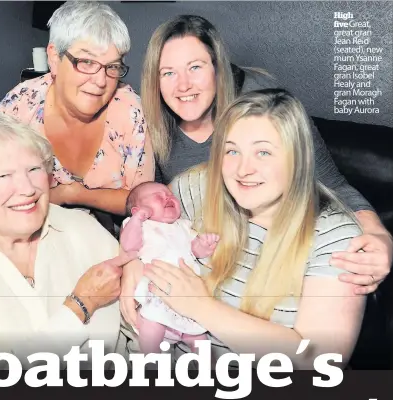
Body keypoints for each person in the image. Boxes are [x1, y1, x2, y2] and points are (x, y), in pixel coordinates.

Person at [139, 14, 392, 296]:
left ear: (218, 68)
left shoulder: (260, 105)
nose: (183, 85)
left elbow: (332, 184)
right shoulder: (153, 126)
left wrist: (379, 235)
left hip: (275, 256)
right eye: (168, 73)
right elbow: (153, 209)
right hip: (207, 262)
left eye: (195, 67)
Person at [128, 89, 368, 368]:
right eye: (232, 151)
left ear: (297, 158)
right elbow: (142, 221)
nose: (243, 170)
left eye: (263, 152)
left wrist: (200, 306)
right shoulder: (197, 190)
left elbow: (319, 362)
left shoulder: (336, 237)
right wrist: (132, 262)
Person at [0, 1, 155, 247]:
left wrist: (73, 194)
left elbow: (144, 201)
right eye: (87, 62)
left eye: (112, 66)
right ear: (54, 58)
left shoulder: (130, 109)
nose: (101, 81)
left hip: (110, 242)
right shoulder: (22, 104)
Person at [0, 114, 135, 370]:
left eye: (34, 170)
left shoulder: (82, 228)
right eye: (4, 176)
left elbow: (140, 322)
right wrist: (80, 306)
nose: (27, 188)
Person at [120, 181, 219, 354]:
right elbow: (129, 246)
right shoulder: (139, 225)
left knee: (198, 336)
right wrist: (136, 220)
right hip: (157, 288)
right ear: (137, 210)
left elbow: (195, 251)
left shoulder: (183, 226)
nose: (168, 197)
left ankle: (209, 367)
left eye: (171, 195)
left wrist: (203, 245)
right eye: (158, 196)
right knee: (152, 324)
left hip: (187, 292)